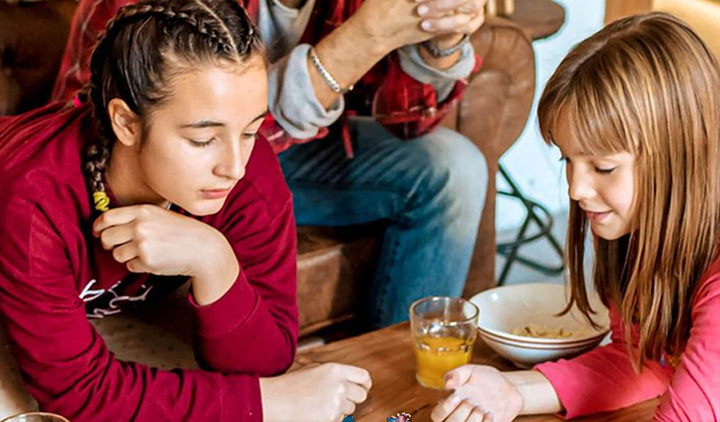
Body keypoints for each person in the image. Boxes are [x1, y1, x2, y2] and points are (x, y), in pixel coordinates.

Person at [0, 0, 371, 422]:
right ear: (126, 123)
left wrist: (214, 260)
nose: (234, 165)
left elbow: (268, 358)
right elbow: (82, 398)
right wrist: (271, 400)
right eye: (203, 139)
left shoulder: (247, 170)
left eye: (250, 131)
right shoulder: (33, 199)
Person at [431, 12, 720, 422]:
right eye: (568, 160)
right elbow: (644, 358)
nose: (574, 189)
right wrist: (515, 391)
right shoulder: (641, 230)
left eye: (603, 167)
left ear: (682, 158)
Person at [51, 0, 489, 328]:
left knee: (454, 167)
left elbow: (411, 124)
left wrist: (440, 41)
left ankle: (402, 375)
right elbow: (107, 135)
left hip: (287, 148)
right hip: (152, 164)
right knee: (226, 149)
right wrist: (362, 39)